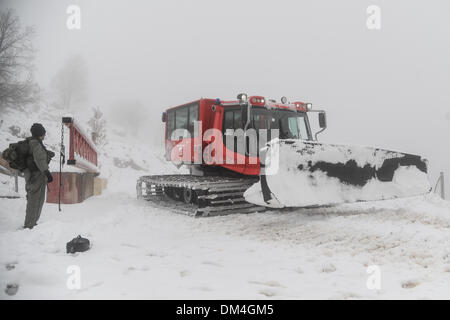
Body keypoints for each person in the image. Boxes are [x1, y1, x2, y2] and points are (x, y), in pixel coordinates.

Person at [23, 123, 54, 229]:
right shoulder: (35, 143)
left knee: (33, 198)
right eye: (43, 134)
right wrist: (47, 173)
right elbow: (39, 159)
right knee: (36, 199)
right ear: (41, 134)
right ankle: (30, 224)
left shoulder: (29, 142)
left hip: (30, 175)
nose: (44, 136)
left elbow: (35, 156)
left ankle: (31, 222)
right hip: (36, 176)